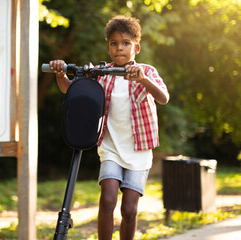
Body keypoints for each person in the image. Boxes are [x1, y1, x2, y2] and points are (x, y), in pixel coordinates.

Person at [49, 15, 169, 240]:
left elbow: (163, 98)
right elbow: (71, 90)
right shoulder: (101, 74)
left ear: (136, 47)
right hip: (111, 148)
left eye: (125, 43)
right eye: (114, 43)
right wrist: (60, 73)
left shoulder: (147, 71)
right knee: (107, 199)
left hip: (139, 151)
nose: (119, 48)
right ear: (108, 47)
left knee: (129, 210)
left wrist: (143, 80)